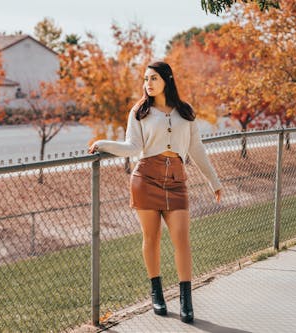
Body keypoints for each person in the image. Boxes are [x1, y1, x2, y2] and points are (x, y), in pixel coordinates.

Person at [88, 61, 222, 324]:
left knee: (182, 239)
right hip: (146, 178)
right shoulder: (139, 111)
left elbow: (197, 151)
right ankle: (157, 292)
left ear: (167, 80)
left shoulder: (186, 112)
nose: (147, 83)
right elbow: (132, 147)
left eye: (153, 78)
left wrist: (214, 181)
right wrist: (102, 144)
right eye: (145, 79)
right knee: (152, 238)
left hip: (176, 180)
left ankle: (186, 299)